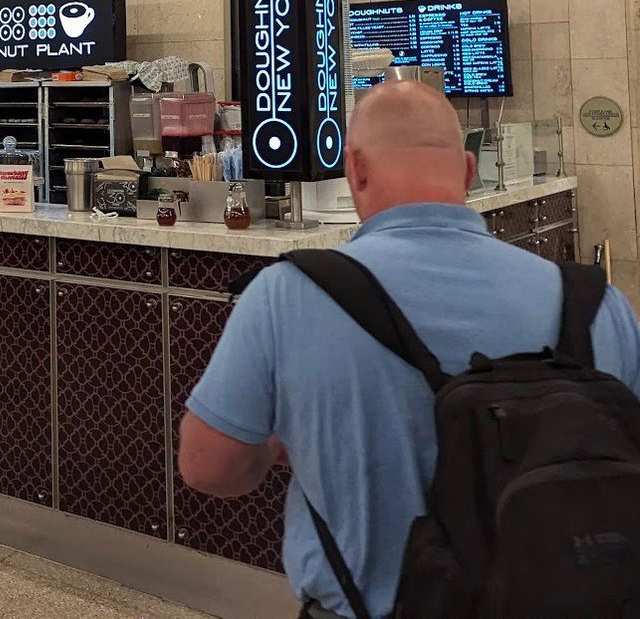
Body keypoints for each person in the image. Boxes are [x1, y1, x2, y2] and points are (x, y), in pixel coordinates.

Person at [178, 81, 640, 619]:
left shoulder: (288, 294)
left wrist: (280, 447)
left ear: (355, 169)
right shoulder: (593, 304)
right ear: (469, 172)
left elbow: (207, 467)